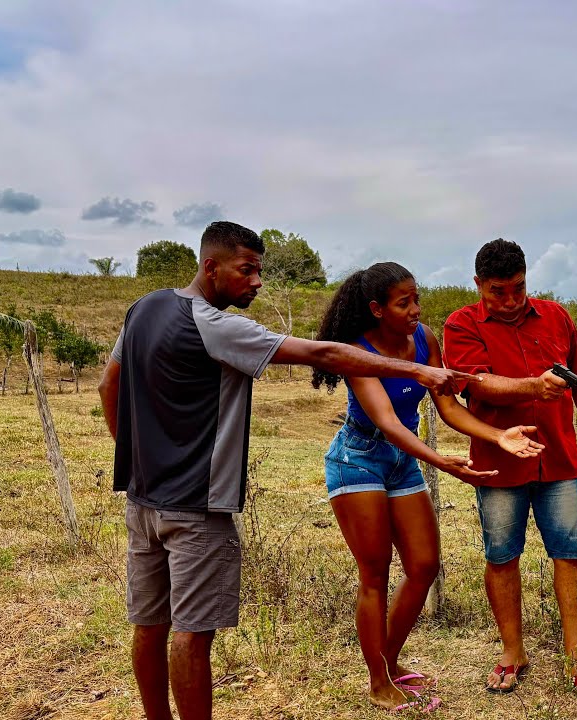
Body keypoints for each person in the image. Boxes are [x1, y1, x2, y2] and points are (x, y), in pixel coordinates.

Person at [97, 221, 476, 720]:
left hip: (143, 501)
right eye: (246, 270)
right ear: (210, 267)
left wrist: (139, 455)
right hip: (196, 506)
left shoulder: (144, 308)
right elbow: (321, 353)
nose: (257, 281)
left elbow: (108, 385)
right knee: (191, 634)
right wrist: (419, 370)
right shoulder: (215, 325)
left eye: (260, 270)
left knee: (149, 625)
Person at [311, 261, 548, 712]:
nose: (416, 309)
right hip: (358, 459)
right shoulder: (355, 350)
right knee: (375, 573)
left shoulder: (424, 340)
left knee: (423, 565)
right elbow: (385, 421)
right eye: (405, 303)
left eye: (417, 298)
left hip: (402, 463)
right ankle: (378, 682)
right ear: (378, 309)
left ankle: (390, 662)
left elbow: (446, 404)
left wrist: (495, 435)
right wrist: (441, 461)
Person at [442, 238, 577, 704]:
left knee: (572, 555)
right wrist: (532, 387)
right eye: (499, 291)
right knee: (501, 556)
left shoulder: (557, 316)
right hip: (498, 463)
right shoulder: (459, 325)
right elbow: (476, 382)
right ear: (478, 285)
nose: (511, 300)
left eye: (518, 288)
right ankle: (512, 651)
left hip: (559, 460)